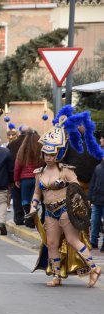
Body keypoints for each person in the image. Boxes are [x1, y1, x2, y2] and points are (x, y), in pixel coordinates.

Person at [30, 105, 103, 287]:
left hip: (65, 210)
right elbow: (37, 193)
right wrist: (32, 207)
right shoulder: (39, 172)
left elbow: (78, 192)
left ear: (58, 153)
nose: (48, 157)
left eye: (52, 153)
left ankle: (94, 268)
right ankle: (56, 276)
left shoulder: (66, 171)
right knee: (52, 243)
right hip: (49, 211)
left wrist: (66, 188)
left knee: (72, 240)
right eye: (46, 153)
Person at [14, 130, 43, 228]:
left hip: (25, 179)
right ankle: (31, 218)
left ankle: (28, 217)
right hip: (36, 178)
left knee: (25, 200)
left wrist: (16, 179)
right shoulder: (40, 149)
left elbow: (17, 166)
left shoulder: (22, 150)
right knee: (33, 200)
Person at [8, 127, 28, 224]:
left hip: (14, 175)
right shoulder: (32, 144)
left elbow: (9, 160)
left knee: (16, 198)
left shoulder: (12, 144)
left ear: (20, 133)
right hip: (29, 176)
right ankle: (30, 218)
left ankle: (19, 218)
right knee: (28, 198)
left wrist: (11, 176)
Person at [89, 157, 104, 251]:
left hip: (98, 199)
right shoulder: (98, 167)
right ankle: (93, 241)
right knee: (94, 221)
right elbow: (93, 183)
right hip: (97, 199)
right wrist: (90, 197)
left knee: (96, 221)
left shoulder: (98, 167)